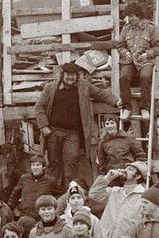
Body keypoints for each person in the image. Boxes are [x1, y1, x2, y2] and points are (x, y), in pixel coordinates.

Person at [34, 60, 117, 190]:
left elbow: (100, 94)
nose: (70, 77)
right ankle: (53, 193)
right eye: (68, 74)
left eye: (73, 75)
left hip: (72, 134)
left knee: (71, 163)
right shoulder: (50, 88)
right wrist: (44, 126)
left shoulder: (84, 86)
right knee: (53, 163)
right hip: (53, 132)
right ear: (62, 75)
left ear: (77, 76)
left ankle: (69, 194)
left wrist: (117, 102)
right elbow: (39, 107)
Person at [117, 0, 159, 130]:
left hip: (145, 61)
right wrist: (125, 53)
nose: (131, 19)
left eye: (133, 16)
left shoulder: (151, 28)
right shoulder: (126, 29)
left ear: (140, 16)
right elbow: (120, 45)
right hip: (130, 61)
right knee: (123, 77)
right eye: (129, 16)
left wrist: (147, 54)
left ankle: (144, 108)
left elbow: (158, 47)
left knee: (145, 77)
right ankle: (126, 107)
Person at [7, 153, 57, 233]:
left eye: (38, 165)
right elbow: (15, 194)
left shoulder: (50, 181)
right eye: (33, 165)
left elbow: (58, 195)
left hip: (41, 217)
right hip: (25, 215)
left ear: (43, 167)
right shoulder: (24, 178)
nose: (35, 168)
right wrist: (8, 208)